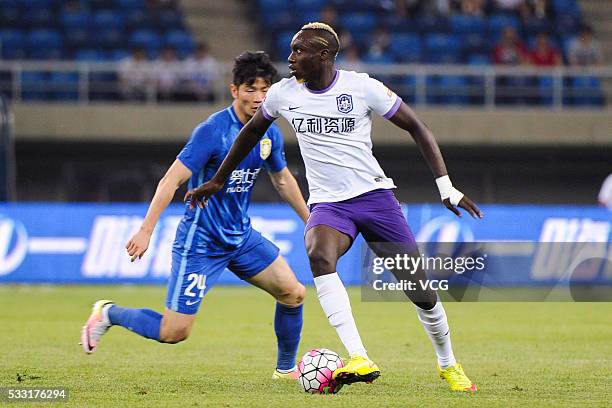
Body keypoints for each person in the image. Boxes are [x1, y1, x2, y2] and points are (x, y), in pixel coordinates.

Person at [185, 23, 482, 392]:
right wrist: (218, 178)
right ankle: (359, 356)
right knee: (319, 254)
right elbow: (250, 133)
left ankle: (447, 363)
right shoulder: (282, 95)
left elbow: (418, 127)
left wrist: (445, 186)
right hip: (329, 204)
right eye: (291, 51)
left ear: (323, 55)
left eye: (299, 51)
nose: (290, 58)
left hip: (376, 199)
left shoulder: (362, 88)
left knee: (419, 289)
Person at [81, 51, 310, 380]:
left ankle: (285, 370)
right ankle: (108, 313)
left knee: (293, 293)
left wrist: (311, 221)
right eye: (250, 89)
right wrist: (146, 230)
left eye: (265, 90)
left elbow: (283, 179)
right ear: (234, 91)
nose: (259, 98)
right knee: (174, 331)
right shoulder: (212, 131)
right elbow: (171, 180)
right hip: (201, 240)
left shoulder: (269, 131)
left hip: (241, 237)